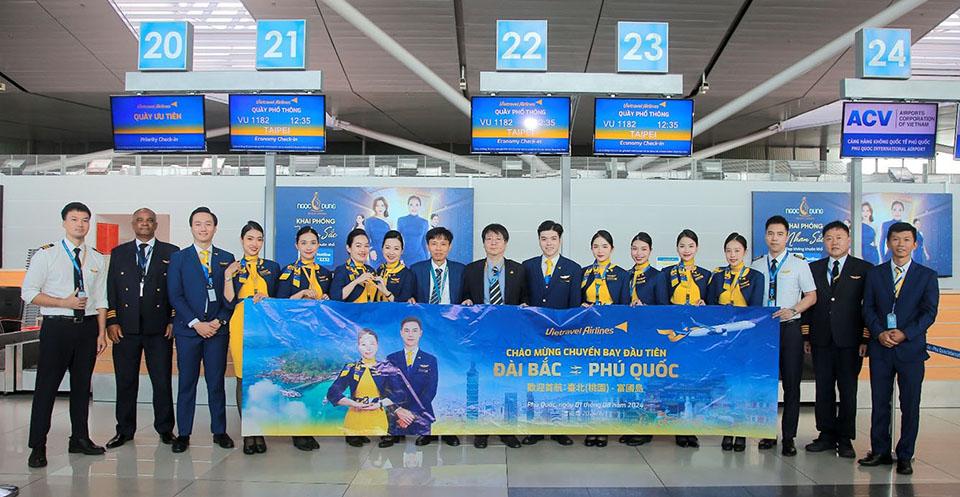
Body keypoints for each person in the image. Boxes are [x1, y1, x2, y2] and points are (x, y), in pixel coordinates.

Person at [22, 202, 109, 468]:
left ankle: (80, 438)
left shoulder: (96, 257)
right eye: (74, 220)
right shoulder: (46, 255)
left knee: (82, 388)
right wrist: (63, 303)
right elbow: (28, 292)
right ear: (64, 223)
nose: (80, 225)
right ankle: (38, 445)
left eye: (84, 220)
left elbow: (101, 298)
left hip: (88, 328)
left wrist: (101, 332)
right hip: (57, 326)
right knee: (47, 387)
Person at [859, 222, 939, 476]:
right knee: (879, 402)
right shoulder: (876, 273)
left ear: (915, 244)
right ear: (888, 242)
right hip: (881, 348)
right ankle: (880, 451)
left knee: (910, 404)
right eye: (895, 239)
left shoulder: (926, 276)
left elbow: (929, 313)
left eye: (906, 239)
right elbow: (867, 308)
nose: (901, 244)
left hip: (911, 350)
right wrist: (879, 331)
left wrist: (905, 333)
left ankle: (905, 454)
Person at [104, 208, 178, 450]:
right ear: (133, 223)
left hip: (159, 328)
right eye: (140, 220)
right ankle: (124, 430)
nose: (144, 224)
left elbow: (176, 291)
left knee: (162, 381)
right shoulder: (119, 253)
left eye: (149, 221)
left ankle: (166, 429)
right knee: (125, 381)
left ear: (155, 225)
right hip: (126, 328)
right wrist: (111, 321)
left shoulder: (171, 252)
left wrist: (172, 320)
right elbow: (111, 290)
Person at [167, 207, 236, 453]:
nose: (203, 228)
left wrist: (219, 321)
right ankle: (183, 433)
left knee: (215, 382)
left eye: (208, 224)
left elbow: (231, 298)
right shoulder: (179, 258)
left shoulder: (227, 258)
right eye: (198, 224)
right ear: (192, 227)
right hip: (189, 332)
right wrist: (196, 323)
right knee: (187, 383)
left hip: (217, 331)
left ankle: (219, 430)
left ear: (215, 228)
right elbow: (175, 295)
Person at [801, 221, 870, 459]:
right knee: (824, 389)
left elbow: (868, 308)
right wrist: (806, 335)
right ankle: (826, 435)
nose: (834, 242)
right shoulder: (813, 268)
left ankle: (845, 438)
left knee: (848, 391)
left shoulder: (863, 269)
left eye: (839, 237)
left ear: (848, 240)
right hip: (821, 340)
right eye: (829, 238)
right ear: (823, 241)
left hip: (850, 342)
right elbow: (807, 305)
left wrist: (865, 338)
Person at [750, 215, 817, 457]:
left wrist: (793, 310)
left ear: (787, 236)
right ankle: (768, 434)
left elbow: (811, 296)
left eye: (779, 234)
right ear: (765, 236)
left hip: (790, 329)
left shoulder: (800, 264)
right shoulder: (756, 266)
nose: (774, 238)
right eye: (770, 233)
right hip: (763, 331)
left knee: (791, 384)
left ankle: (789, 436)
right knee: (765, 384)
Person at [462, 223, 527, 450]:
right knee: (482, 383)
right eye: (489, 239)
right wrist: (466, 302)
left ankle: (507, 431)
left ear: (506, 243)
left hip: (508, 336)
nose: (493, 243)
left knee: (506, 382)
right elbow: (463, 300)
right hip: (480, 336)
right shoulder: (471, 270)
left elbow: (525, 302)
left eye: (498, 239)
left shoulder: (519, 270)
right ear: (483, 243)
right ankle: (482, 431)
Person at [222, 221, 281, 455]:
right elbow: (227, 301)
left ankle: (261, 430)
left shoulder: (273, 267)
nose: (254, 244)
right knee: (242, 377)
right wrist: (227, 276)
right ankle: (249, 433)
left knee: (262, 376)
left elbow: (280, 301)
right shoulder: (232, 267)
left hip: (265, 328)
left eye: (259, 239)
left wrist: (267, 298)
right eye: (250, 239)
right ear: (242, 241)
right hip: (240, 325)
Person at [520, 220, 580, 447]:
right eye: (544, 238)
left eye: (553, 238)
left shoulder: (573, 269)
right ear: (539, 240)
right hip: (534, 337)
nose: (549, 243)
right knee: (535, 383)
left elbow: (574, 306)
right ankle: (535, 428)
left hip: (561, 338)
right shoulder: (527, 266)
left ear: (560, 240)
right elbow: (522, 298)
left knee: (559, 382)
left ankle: (559, 429)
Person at [706, 232, 764, 452]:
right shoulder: (717, 276)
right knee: (725, 385)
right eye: (728, 251)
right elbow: (711, 308)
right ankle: (727, 430)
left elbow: (756, 309)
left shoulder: (756, 277)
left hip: (745, 339)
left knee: (742, 385)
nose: (732, 255)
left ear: (745, 252)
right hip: (722, 340)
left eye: (737, 251)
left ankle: (740, 432)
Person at [276, 225, 332, 451]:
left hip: (317, 336)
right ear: (297, 246)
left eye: (313, 243)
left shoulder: (325, 272)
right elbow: (279, 303)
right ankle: (297, 432)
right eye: (304, 243)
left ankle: (308, 429)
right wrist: (299, 295)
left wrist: (328, 299)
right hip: (295, 336)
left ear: (318, 246)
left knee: (315, 377)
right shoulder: (287, 271)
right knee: (295, 380)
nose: (309, 247)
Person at [407, 226, 463, 447]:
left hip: (451, 335)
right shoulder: (417, 269)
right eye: (434, 243)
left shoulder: (461, 270)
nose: (438, 248)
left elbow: (468, 297)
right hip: (426, 333)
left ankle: (449, 429)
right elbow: (409, 296)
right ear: (427, 246)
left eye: (443, 244)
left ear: (449, 246)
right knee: (424, 381)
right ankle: (425, 428)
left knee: (451, 380)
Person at [656, 229, 710, 449]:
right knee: (676, 380)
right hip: (675, 337)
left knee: (695, 379)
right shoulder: (666, 274)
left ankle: (692, 429)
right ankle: (679, 428)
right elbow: (660, 305)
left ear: (696, 248)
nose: (686, 250)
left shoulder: (707, 275)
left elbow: (713, 305)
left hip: (697, 337)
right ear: (676, 248)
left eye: (690, 246)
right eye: (682, 246)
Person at [579, 230, 630, 448]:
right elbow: (575, 302)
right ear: (591, 249)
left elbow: (625, 307)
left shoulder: (621, 274)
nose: (600, 250)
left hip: (611, 335)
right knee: (589, 380)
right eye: (596, 246)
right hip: (588, 334)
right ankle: (592, 427)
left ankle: (606, 427)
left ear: (612, 249)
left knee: (607, 380)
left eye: (604, 246)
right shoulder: (583, 273)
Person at [331, 228, 381, 447]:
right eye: (358, 245)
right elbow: (336, 297)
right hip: (350, 333)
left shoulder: (373, 270)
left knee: (367, 380)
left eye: (366, 245)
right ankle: (351, 429)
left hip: (368, 331)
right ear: (348, 248)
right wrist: (358, 280)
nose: (362, 249)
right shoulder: (342, 271)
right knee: (353, 379)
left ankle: (363, 425)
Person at [326, 329, 418, 441]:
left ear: (377, 346)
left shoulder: (386, 368)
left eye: (372, 344)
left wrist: (379, 404)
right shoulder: (350, 368)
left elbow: (400, 394)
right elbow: (332, 393)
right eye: (363, 344)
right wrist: (354, 404)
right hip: (354, 418)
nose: (368, 348)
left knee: (378, 455)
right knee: (354, 453)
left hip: (377, 417)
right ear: (358, 346)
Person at [620, 232, 659, 447]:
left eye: (643, 249)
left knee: (645, 385)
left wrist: (647, 309)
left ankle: (646, 429)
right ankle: (631, 425)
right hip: (627, 338)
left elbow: (664, 307)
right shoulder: (624, 275)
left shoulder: (658, 276)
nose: (638, 253)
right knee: (629, 383)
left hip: (648, 338)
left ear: (650, 251)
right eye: (635, 248)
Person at [386, 317, 439, 441]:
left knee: (424, 455)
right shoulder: (391, 359)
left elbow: (430, 390)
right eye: (407, 330)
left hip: (421, 414)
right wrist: (398, 410)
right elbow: (386, 388)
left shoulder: (430, 360)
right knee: (394, 454)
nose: (410, 334)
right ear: (401, 333)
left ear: (420, 333)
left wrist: (411, 414)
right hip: (396, 416)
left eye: (414, 330)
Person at [396, 196, 430, 264]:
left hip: (420, 257)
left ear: (420, 206)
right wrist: (400, 257)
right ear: (408, 206)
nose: (414, 207)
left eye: (417, 205)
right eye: (411, 205)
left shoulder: (424, 222)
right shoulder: (401, 220)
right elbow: (397, 240)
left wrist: (427, 260)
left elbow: (424, 242)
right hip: (405, 257)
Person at [364, 197, 391, 264]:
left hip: (388, 253)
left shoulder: (390, 221)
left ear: (385, 207)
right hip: (374, 253)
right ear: (374, 207)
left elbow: (392, 240)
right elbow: (366, 238)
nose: (380, 208)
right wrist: (371, 250)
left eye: (382, 205)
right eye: (377, 205)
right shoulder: (369, 221)